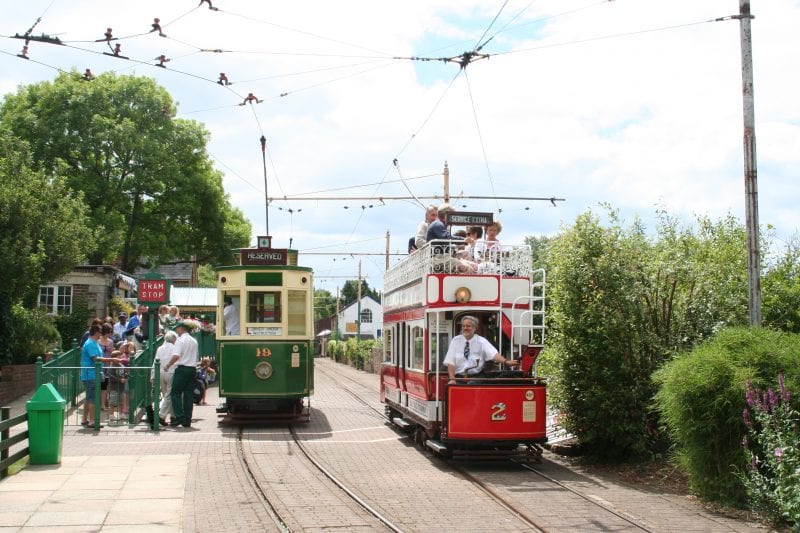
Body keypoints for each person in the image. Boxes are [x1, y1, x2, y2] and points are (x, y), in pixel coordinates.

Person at [444, 316, 518, 384]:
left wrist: (506, 361)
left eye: (468, 326)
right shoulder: (455, 340)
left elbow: (494, 354)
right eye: (463, 326)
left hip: (476, 378)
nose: (465, 328)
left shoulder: (482, 341)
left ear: (475, 328)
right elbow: (451, 362)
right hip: (459, 379)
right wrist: (452, 379)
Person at [80, 324, 119, 427]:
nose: (101, 334)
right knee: (92, 398)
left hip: (94, 374)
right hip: (90, 374)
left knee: (89, 397)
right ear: (96, 332)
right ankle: (92, 421)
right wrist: (111, 359)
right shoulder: (90, 344)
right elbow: (95, 359)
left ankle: (84, 419)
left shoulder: (95, 343)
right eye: (100, 332)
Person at [164, 321, 199, 428]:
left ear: (181, 329)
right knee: (188, 395)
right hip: (192, 369)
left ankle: (180, 416)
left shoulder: (180, 340)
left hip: (182, 369)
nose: (176, 330)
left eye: (177, 328)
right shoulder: (194, 341)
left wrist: (168, 365)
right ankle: (187, 419)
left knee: (175, 393)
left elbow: (176, 356)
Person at [152, 330, 178, 426]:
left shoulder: (160, 348)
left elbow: (155, 361)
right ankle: (161, 415)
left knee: (166, 395)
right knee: (169, 395)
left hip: (161, 373)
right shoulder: (175, 348)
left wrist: (153, 375)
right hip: (171, 372)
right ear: (174, 339)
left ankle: (172, 416)